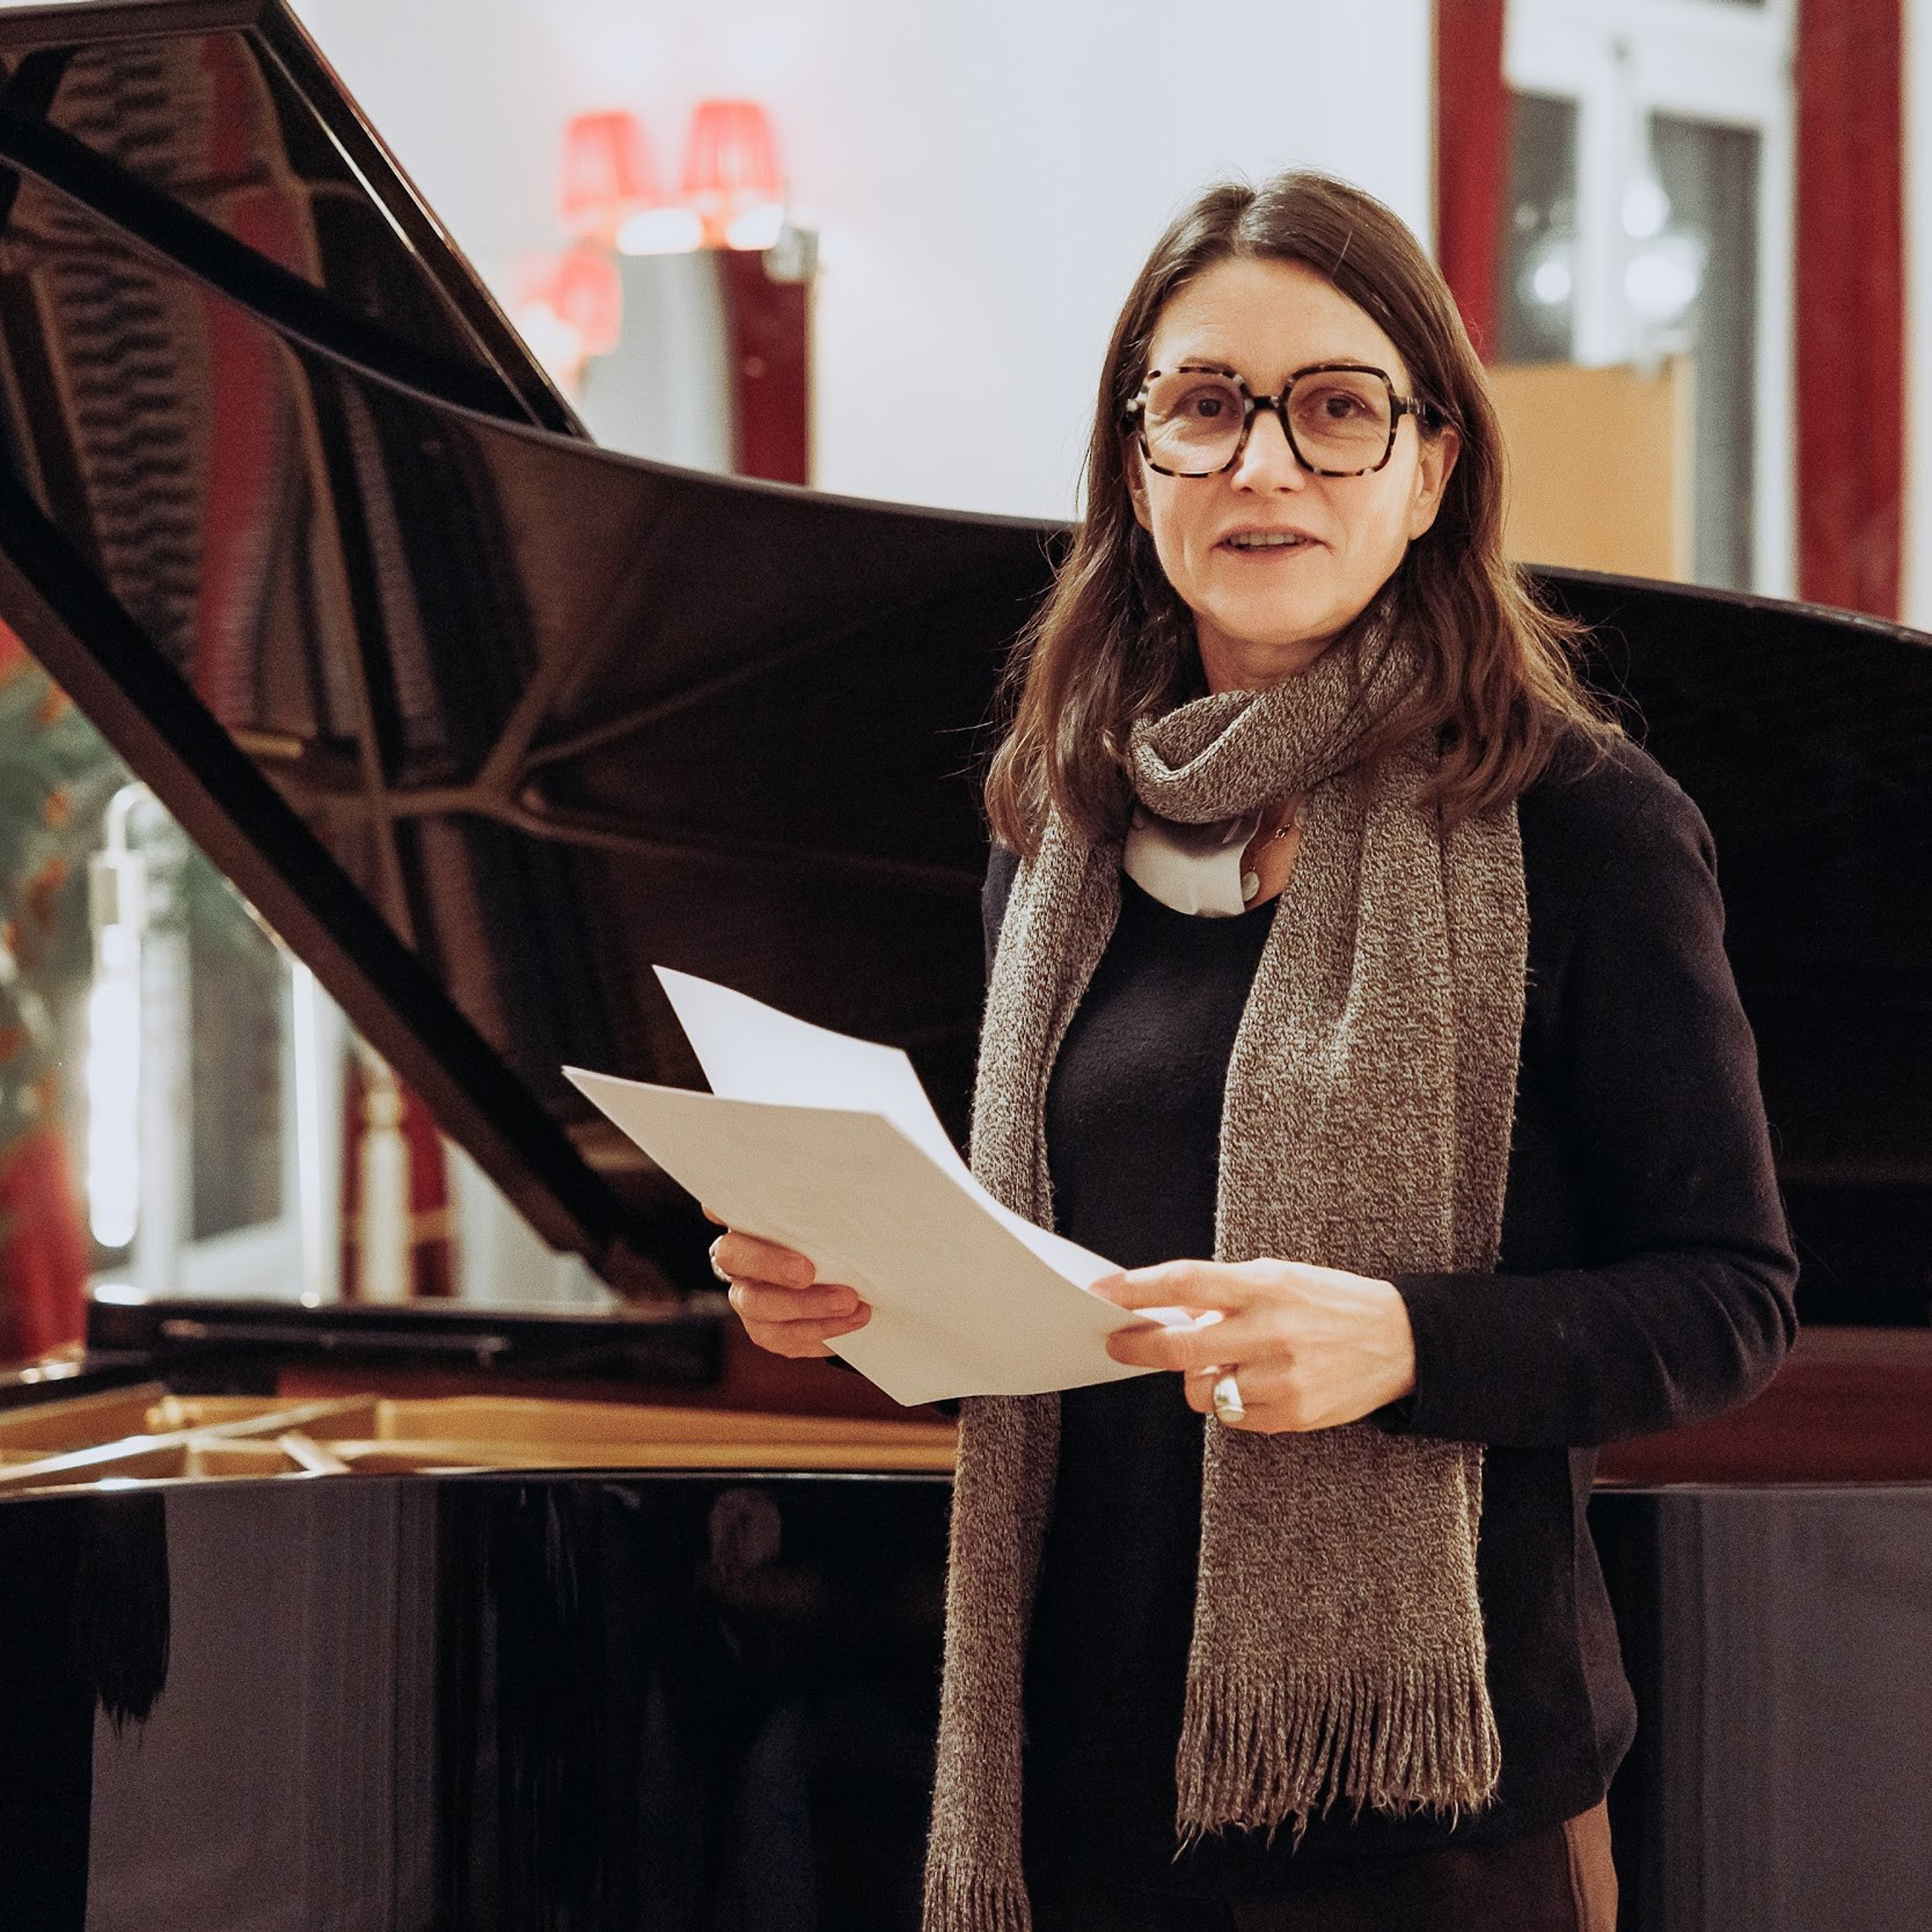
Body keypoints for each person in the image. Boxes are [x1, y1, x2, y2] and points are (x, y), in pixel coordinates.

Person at [710, 171, 1797, 1932]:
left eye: (1333, 408)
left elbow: (1730, 1297)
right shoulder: (1049, 829)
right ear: (1135, 465)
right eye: (1203, 405)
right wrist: (848, 1297)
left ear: (1429, 463)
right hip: (1072, 1790)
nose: (1262, 464)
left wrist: (1403, 1339)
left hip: (1429, 1833)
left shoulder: (1581, 825)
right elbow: (1034, 1284)